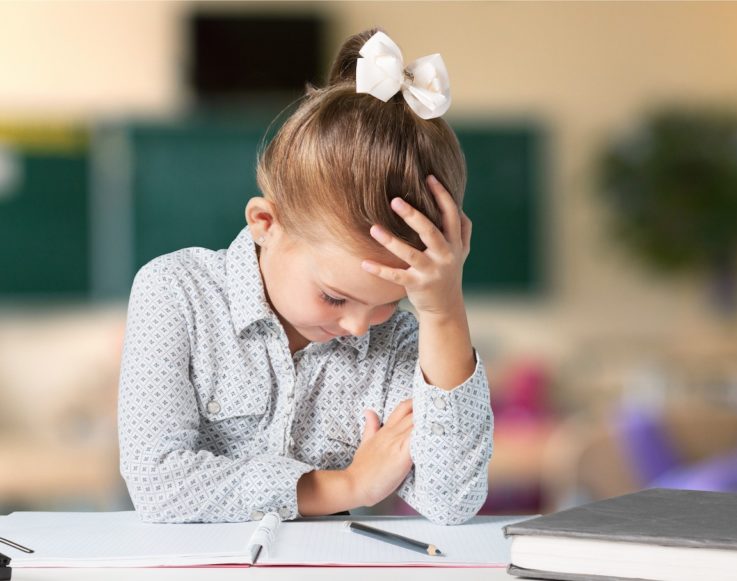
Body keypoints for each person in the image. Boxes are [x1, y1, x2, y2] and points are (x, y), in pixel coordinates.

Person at [118, 28, 493, 526]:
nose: (363, 326)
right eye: (335, 297)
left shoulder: (402, 343)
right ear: (265, 224)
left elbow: (452, 500)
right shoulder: (175, 292)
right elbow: (159, 482)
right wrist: (348, 486)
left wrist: (443, 311)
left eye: (391, 302)